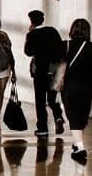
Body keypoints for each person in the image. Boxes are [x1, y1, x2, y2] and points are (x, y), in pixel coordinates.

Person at [60, 18, 92, 163]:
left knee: (73, 116)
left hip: (69, 86)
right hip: (88, 88)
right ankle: (77, 142)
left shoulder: (64, 45)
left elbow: (54, 65)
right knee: (82, 115)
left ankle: (80, 149)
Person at [23, 10, 65, 138]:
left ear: (32, 21)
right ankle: (58, 117)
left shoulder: (32, 35)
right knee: (52, 99)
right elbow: (61, 49)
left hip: (40, 72)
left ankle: (43, 128)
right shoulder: (53, 31)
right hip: (53, 71)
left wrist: (29, 34)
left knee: (40, 101)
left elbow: (28, 52)